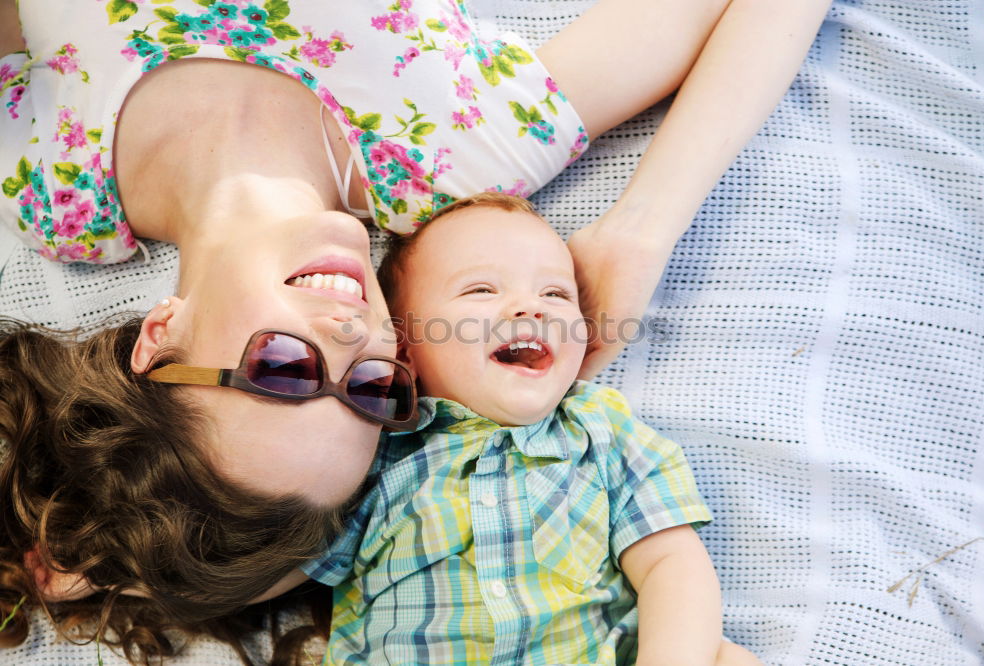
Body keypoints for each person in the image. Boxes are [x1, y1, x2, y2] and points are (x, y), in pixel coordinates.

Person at [0, 0, 832, 663]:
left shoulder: (56, 195)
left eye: (284, 371)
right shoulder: (459, 149)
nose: (352, 333)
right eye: (371, 390)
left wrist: (100, 548)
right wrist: (639, 231)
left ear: (159, 336)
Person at [294, 192, 763, 665]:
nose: (530, 307)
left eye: (555, 294)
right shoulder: (378, 447)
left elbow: (672, 565)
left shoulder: (602, 432)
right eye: (481, 289)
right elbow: (282, 552)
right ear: (405, 349)